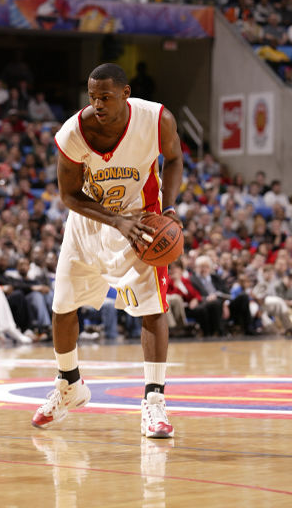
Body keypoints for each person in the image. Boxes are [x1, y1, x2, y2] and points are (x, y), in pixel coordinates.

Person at [30, 63, 184, 439]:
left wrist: (170, 208)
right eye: (93, 97)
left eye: (106, 97)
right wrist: (114, 222)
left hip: (142, 220)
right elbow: (68, 195)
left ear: (126, 94)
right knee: (62, 305)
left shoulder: (156, 118)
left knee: (152, 307)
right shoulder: (73, 133)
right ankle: (69, 385)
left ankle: (154, 400)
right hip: (90, 221)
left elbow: (174, 159)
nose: (98, 104)